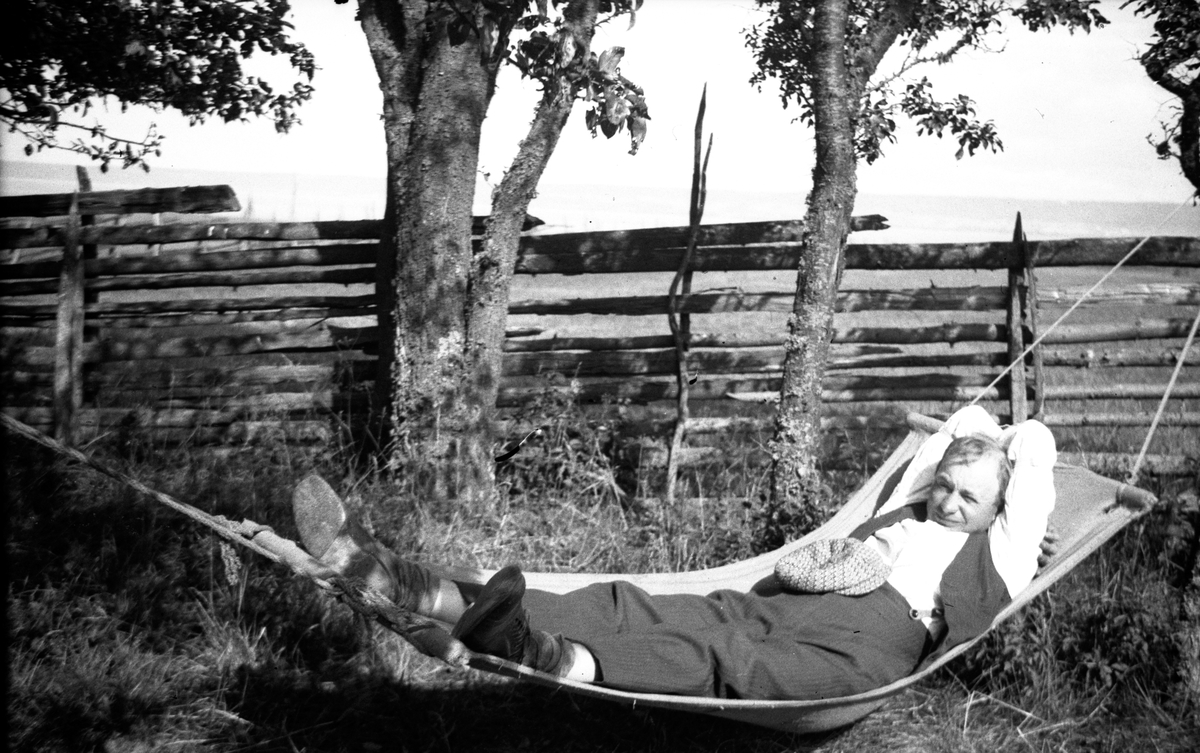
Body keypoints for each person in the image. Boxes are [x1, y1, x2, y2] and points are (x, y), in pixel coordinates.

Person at [292, 406, 1057, 700]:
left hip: (871, 643)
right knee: (639, 603)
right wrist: (968, 453)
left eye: (969, 497)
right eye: (946, 484)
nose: (949, 502)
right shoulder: (913, 502)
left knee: (729, 657)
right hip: (796, 597)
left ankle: (557, 657)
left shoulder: (1000, 551)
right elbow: (967, 421)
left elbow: (1035, 442)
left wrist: (1004, 459)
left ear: (999, 508)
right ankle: (413, 584)